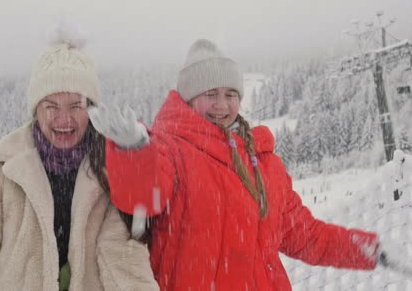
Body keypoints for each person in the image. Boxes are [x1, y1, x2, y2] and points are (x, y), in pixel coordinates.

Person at [88, 39, 409, 290]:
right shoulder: (169, 149)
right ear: (188, 98)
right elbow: (143, 198)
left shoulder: (264, 163)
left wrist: (371, 250)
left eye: (230, 94)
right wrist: (133, 152)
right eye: (210, 93)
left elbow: (307, 236)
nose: (222, 104)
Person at [0, 32, 158, 290]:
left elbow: (124, 257)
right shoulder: (2, 168)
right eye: (51, 106)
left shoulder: (109, 168)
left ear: (91, 110)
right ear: (36, 110)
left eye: (75, 106)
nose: (63, 118)